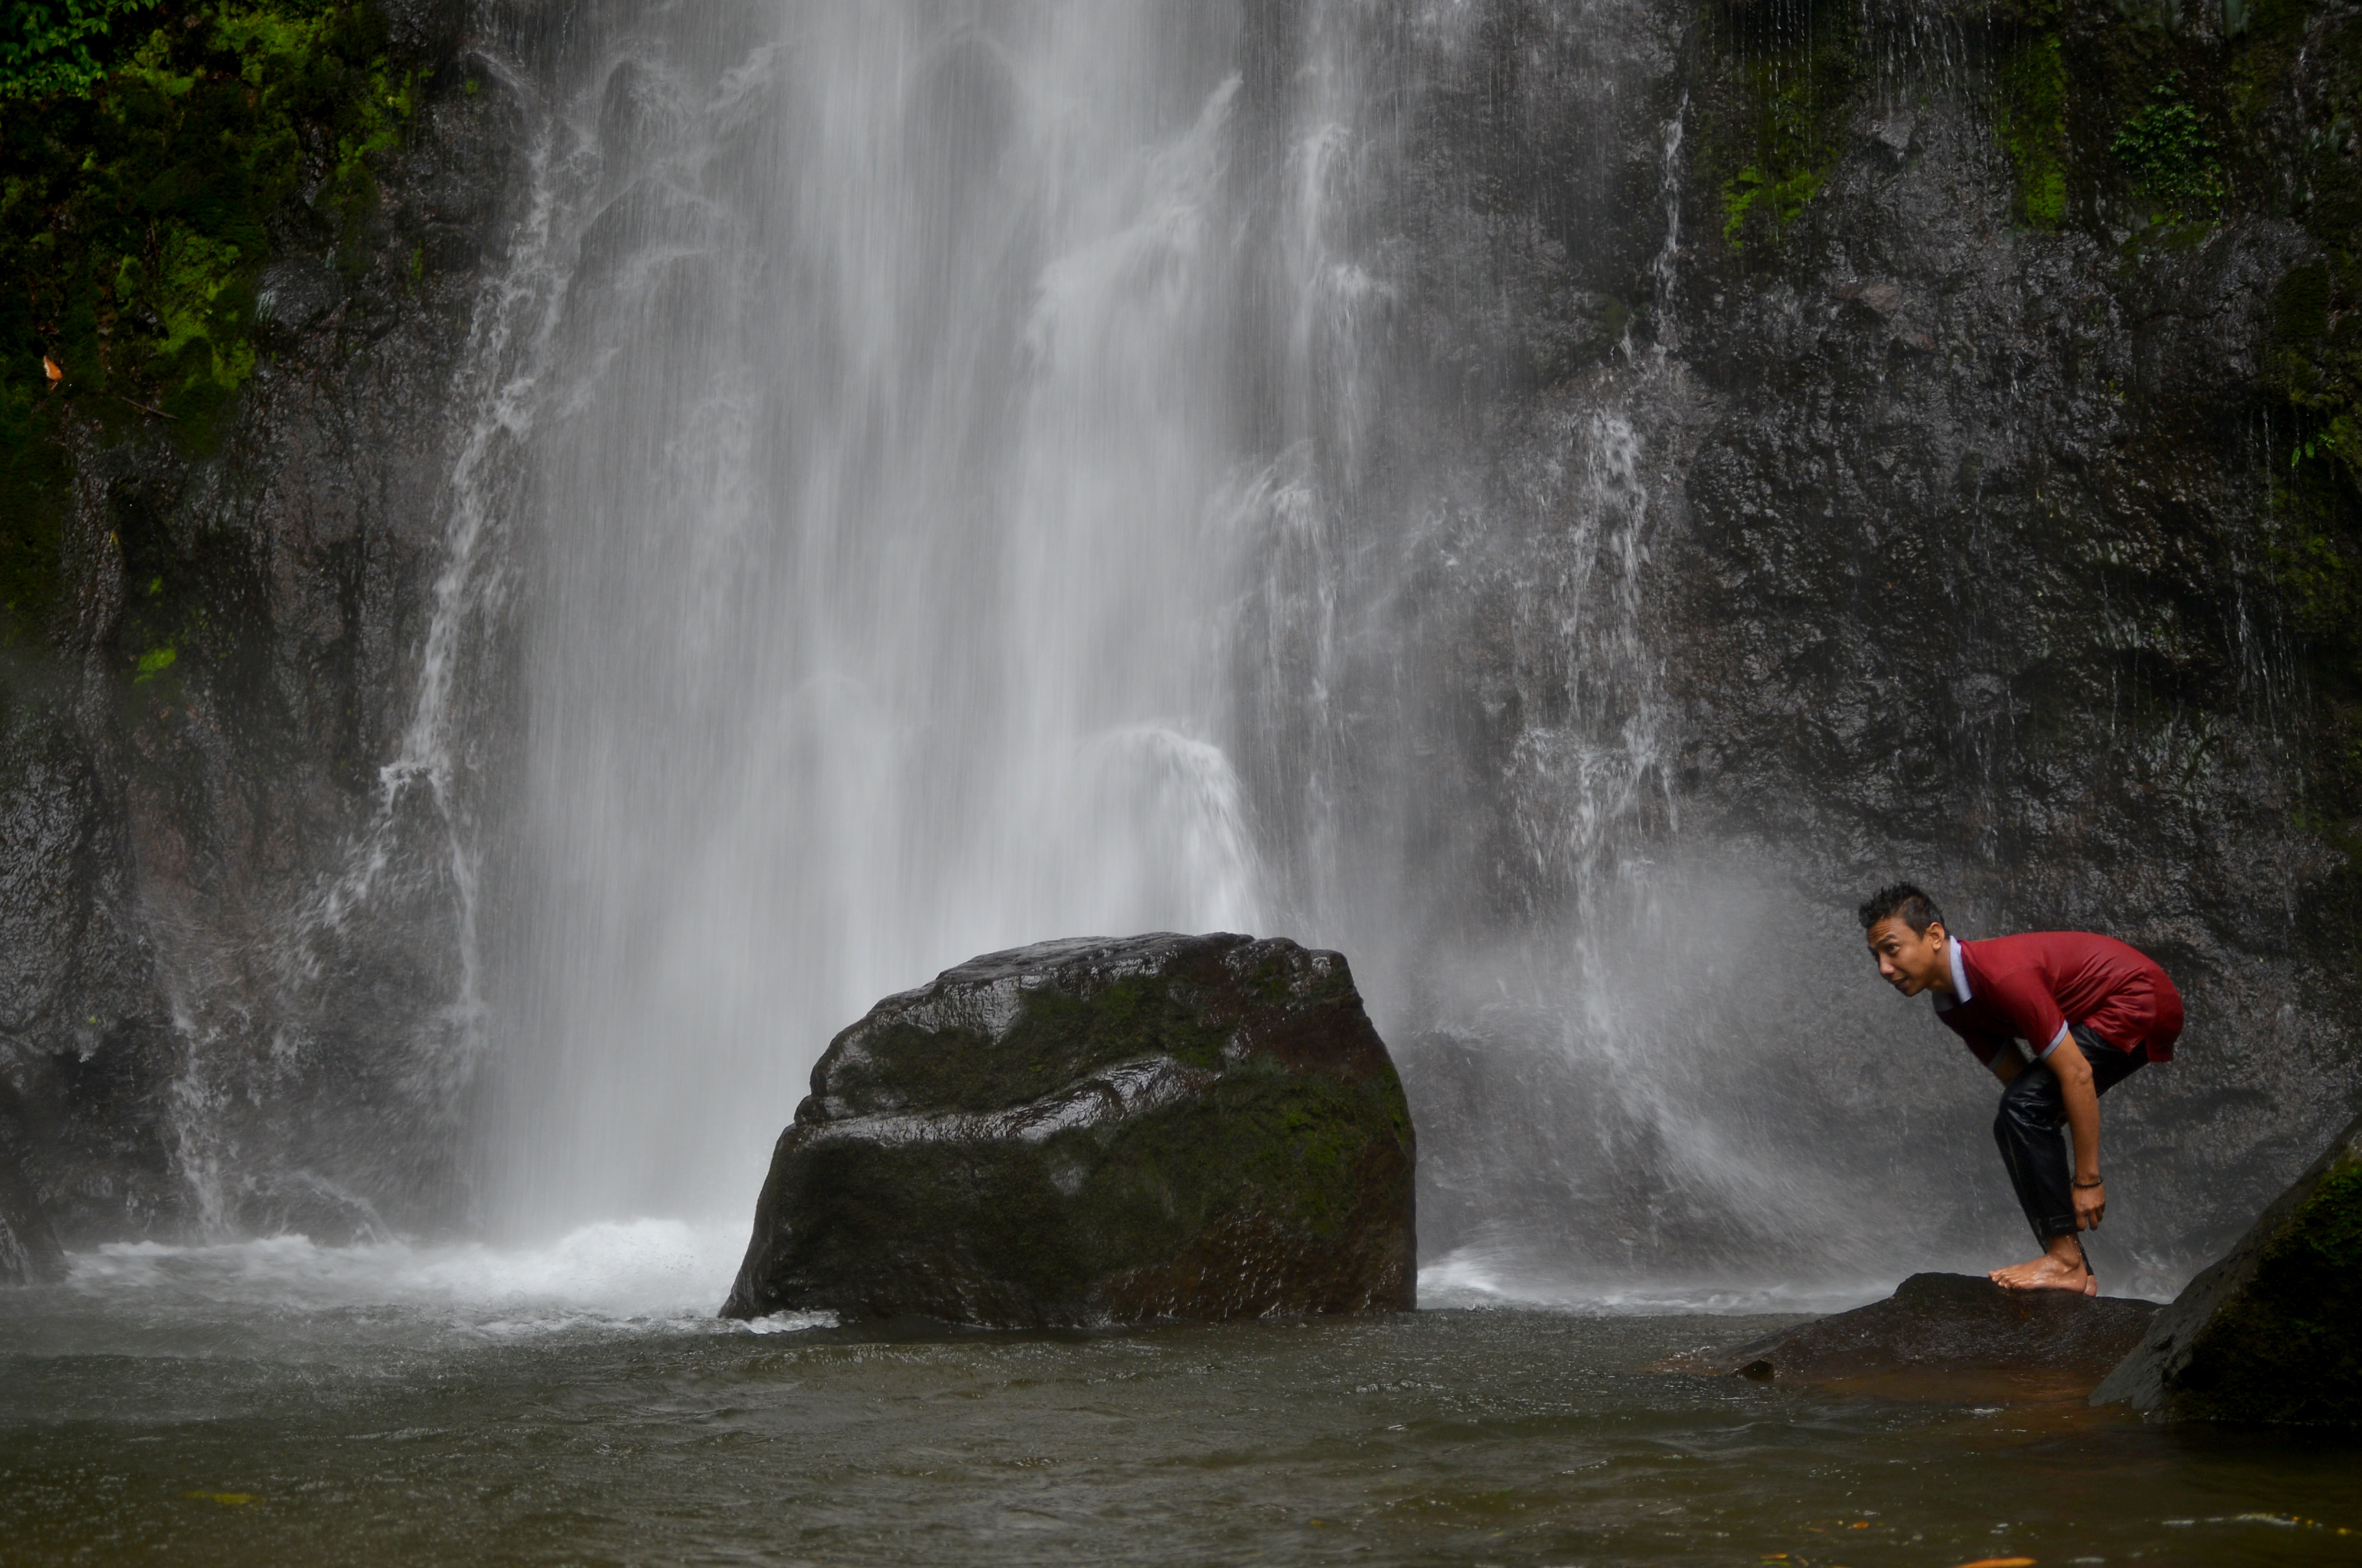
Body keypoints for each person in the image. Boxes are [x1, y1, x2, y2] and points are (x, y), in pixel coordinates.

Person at [1858, 883, 2184, 1295]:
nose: (1884, 968)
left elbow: (2077, 1075)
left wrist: (2087, 1180)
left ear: (1935, 936)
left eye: (1892, 949)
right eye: (1877, 957)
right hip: (2103, 1012)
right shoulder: (1950, 1005)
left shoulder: (2002, 974)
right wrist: (2035, 1136)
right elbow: (2022, 1085)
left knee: (2022, 1108)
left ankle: (2065, 1261)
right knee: (2011, 1120)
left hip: (2138, 999)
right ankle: (2074, 1268)